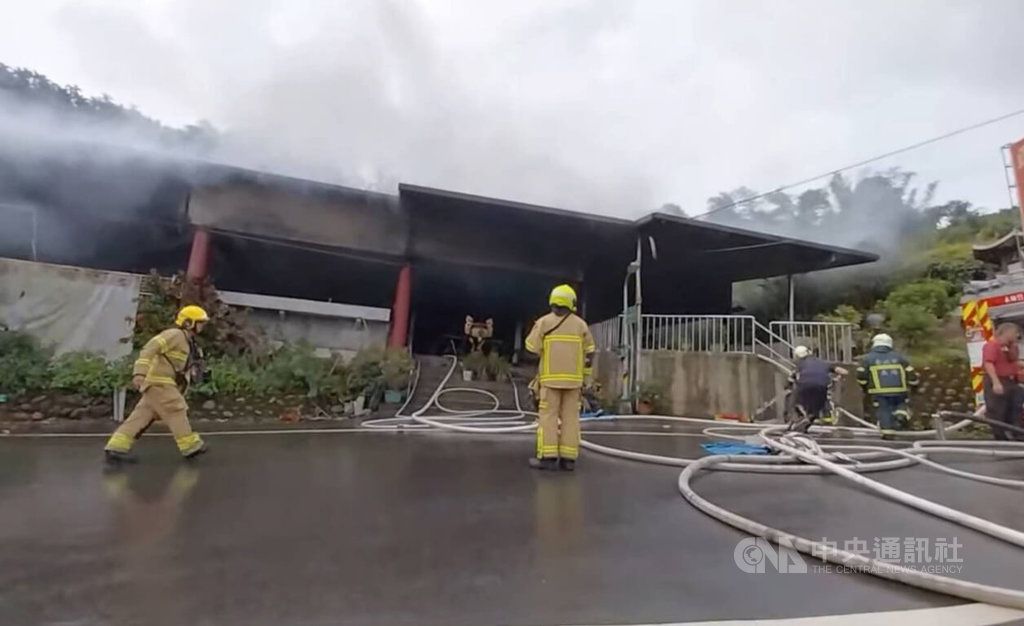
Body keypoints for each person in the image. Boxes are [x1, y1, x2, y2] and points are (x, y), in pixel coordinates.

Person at [104, 305, 210, 464]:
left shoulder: (187, 341)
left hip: (159, 384)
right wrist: (139, 373)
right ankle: (190, 446)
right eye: (200, 322)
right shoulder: (175, 334)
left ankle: (116, 447)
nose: (203, 326)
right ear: (189, 322)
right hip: (160, 383)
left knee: (141, 416)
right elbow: (150, 348)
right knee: (176, 409)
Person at [524, 284, 595, 471]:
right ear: (571, 302)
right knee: (571, 419)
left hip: (550, 381)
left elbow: (530, 349)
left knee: (548, 418)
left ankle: (548, 458)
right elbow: (590, 353)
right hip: (574, 382)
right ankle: (568, 459)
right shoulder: (581, 325)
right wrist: (586, 377)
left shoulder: (544, 323)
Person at [856, 333, 919, 430]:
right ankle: (900, 417)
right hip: (899, 391)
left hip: (879, 393)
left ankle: (887, 432)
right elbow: (911, 374)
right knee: (900, 404)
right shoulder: (900, 357)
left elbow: (861, 376)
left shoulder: (868, 359)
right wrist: (914, 386)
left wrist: (864, 388)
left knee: (884, 411)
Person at [788, 345, 848, 433]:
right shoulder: (822, 362)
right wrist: (839, 377)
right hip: (821, 386)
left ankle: (799, 419)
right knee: (816, 409)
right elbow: (844, 371)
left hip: (804, 386)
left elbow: (791, 377)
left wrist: (789, 385)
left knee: (797, 402)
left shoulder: (800, 364)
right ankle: (807, 421)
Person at [981, 322, 1023, 441]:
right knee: (997, 411)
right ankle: (1000, 438)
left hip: (1011, 381)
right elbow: (989, 363)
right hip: (998, 380)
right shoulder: (992, 345)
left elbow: (1013, 361)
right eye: (1015, 333)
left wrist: (1012, 347)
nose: (1017, 335)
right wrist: (996, 382)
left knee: (1015, 408)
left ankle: (1017, 434)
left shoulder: (1011, 347)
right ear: (1007, 332)